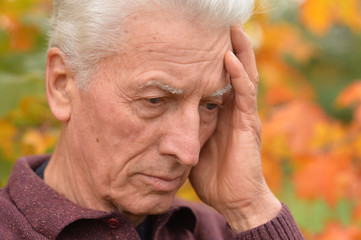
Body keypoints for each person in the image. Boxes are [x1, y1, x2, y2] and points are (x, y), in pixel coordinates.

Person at [0, 0, 305, 239]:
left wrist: (251, 208)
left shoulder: (224, 231)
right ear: (63, 84)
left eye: (209, 105)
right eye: (155, 101)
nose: (189, 151)